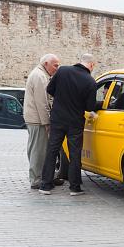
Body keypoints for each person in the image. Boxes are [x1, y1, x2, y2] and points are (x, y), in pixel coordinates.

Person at [39, 54, 97, 196]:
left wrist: (61, 98)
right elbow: (90, 106)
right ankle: (74, 188)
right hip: (75, 122)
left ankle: (45, 185)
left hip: (57, 118)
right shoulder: (90, 81)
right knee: (75, 153)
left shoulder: (63, 70)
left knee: (52, 150)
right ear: (91, 65)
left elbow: (49, 90)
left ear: (80, 61)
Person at [23, 53, 60, 189]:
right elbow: (42, 102)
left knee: (41, 149)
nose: (57, 68)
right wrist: (47, 122)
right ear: (46, 64)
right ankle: (36, 179)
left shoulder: (41, 74)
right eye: (55, 65)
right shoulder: (39, 76)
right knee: (38, 150)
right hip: (37, 120)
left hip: (36, 118)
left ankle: (46, 176)